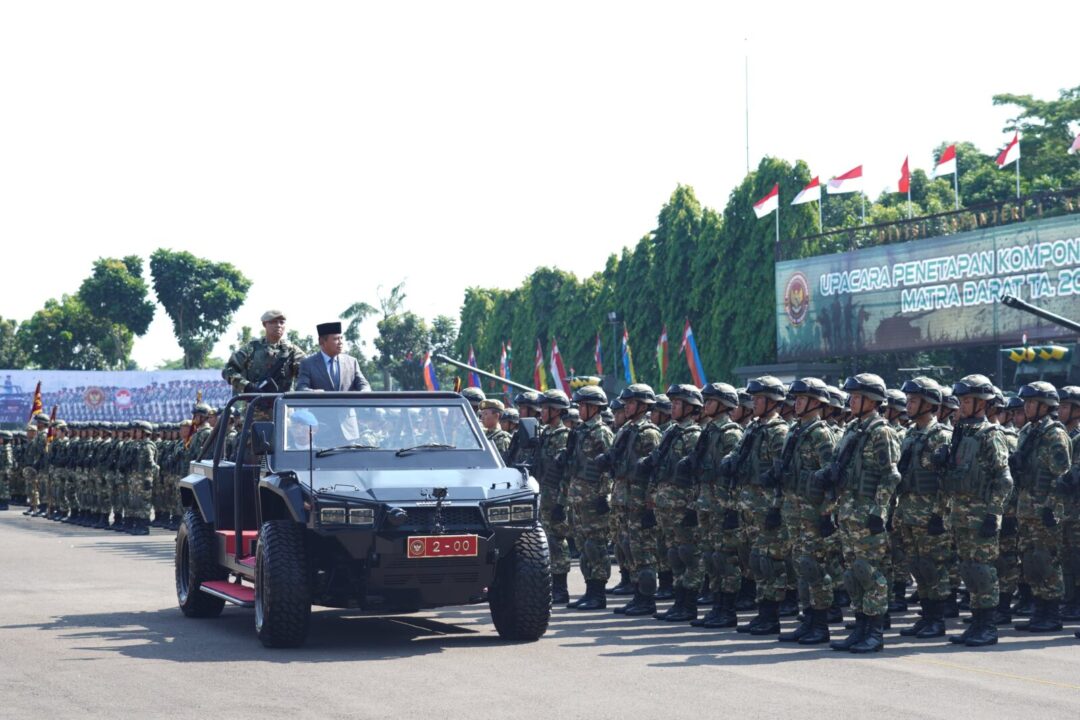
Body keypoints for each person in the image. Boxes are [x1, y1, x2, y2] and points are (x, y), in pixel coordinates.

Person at [827, 373, 900, 654]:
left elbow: (890, 477)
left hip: (867, 513)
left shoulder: (882, 432)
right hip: (848, 511)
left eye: (857, 397)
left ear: (872, 401)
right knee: (852, 574)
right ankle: (859, 627)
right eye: (852, 396)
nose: (851, 401)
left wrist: (879, 512)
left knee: (868, 572)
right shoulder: (853, 429)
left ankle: (875, 631)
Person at [939, 374, 1013, 648]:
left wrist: (993, 514)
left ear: (982, 404)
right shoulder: (962, 432)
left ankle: (987, 626)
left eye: (967, 401)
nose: (961, 406)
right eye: (961, 400)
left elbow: (1004, 479)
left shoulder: (991, 435)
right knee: (968, 570)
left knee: (983, 571)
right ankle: (976, 622)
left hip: (981, 515)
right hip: (961, 514)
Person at [775, 377, 837, 644]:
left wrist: (827, 513)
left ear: (815, 403)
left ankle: (821, 623)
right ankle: (808, 617)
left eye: (801, 399)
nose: (796, 403)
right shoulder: (795, 431)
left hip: (813, 511)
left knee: (814, 566)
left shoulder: (821, 433)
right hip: (794, 508)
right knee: (801, 565)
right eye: (796, 399)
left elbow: (833, 477)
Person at [894, 377, 952, 639]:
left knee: (933, 566)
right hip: (908, 509)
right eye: (907, 400)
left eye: (914, 400)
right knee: (917, 565)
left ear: (929, 404)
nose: (908, 405)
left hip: (930, 513)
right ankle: (926, 615)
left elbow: (946, 482)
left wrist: (940, 514)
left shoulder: (941, 436)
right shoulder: (911, 433)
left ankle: (937, 619)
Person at [1011, 381, 1070, 633]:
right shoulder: (1027, 432)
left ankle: (1051, 614)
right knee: (1031, 561)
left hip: (1045, 510)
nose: (1027, 406)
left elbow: (1062, 478)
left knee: (1047, 561)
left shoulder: (1055, 435)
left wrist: (1052, 510)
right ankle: (1039, 611)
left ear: (1046, 406)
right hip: (1026, 507)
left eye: (1032, 402)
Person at [645, 384, 703, 622]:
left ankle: (689, 603)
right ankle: (679, 601)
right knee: (673, 554)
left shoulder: (694, 436)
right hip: (667, 505)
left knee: (688, 554)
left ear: (690, 408)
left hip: (683, 505)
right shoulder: (671, 433)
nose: (673, 408)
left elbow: (699, 475)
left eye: (678, 404)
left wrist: (692, 507)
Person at [563, 385, 615, 610]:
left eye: (583, 405)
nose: (580, 409)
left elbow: (609, 467)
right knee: (584, 546)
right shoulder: (581, 431)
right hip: (578, 497)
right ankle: (589, 589)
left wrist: (604, 496)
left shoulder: (601, 432)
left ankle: (598, 593)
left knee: (596, 546)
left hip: (594, 498)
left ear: (594, 408)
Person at [535, 390, 573, 603]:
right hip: (543, 493)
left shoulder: (564, 436)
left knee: (557, 541)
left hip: (556, 495)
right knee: (545, 541)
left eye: (546, 408)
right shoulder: (544, 434)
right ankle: (550, 585)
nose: (542, 412)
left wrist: (562, 502)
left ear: (556, 411)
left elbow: (567, 472)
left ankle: (561, 588)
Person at [223, 310, 303, 395]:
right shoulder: (251, 348)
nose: (279, 325)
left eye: (282, 322)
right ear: (264, 324)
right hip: (255, 403)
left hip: (283, 405)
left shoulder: (292, 351)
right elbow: (228, 371)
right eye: (274, 322)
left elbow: (307, 370)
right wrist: (247, 387)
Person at [296, 321, 371, 392]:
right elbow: (301, 388)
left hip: (347, 405)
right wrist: (315, 393)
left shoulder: (351, 362)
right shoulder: (308, 364)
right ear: (322, 341)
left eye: (341, 338)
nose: (340, 342)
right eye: (336, 339)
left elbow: (364, 384)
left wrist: (364, 391)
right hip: (321, 405)